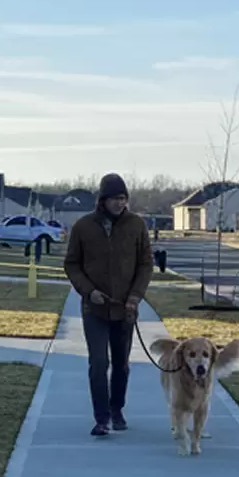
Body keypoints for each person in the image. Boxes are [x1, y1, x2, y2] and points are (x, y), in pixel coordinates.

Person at [63, 173, 154, 437]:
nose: (119, 203)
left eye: (123, 198)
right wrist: (88, 291)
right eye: (115, 198)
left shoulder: (136, 225)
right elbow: (71, 264)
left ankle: (117, 410)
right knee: (98, 363)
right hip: (95, 308)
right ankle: (101, 418)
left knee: (121, 363)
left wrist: (135, 297)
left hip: (126, 309)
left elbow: (145, 264)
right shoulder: (83, 227)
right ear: (102, 200)